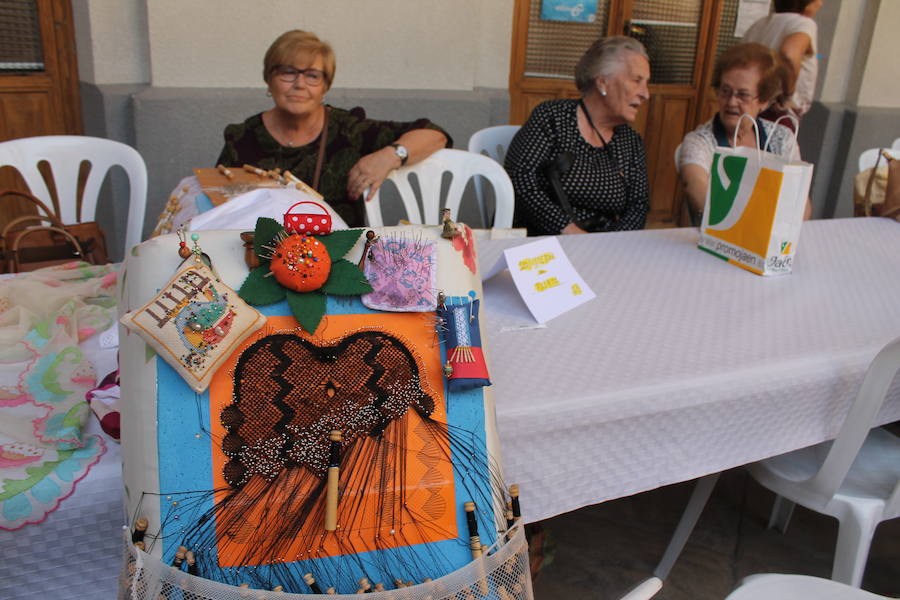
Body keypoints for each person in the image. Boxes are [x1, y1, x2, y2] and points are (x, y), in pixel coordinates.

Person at [216, 30, 449, 227]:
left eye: (312, 76)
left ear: (325, 86)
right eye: (288, 72)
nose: (299, 84)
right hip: (261, 258)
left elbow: (434, 134)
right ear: (269, 78)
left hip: (338, 260)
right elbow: (218, 209)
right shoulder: (242, 138)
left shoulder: (349, 131)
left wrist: (390, 155)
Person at [504, 36, 651, 236]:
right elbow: (520, 178)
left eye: (646, 83)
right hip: (543, 242)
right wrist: (567, 230)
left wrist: (613, 243)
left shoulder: (630, 140)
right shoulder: (552, 118)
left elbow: (638, 204)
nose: (645, 94)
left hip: (602, 247)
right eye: (636, 81)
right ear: (603, 83)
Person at [677, 43, 810, 221]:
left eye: (743, 95)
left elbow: (800, 201)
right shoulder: (700, 141)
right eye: (725, 91)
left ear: (764, 100)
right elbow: (695, 187)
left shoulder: (782, 138)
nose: (731, 102)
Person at [743, 0, 822, 122]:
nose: (820, 4)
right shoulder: (803, 23)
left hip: (752, 102)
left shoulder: (759, 24)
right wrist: (787, 95)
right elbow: (789, 55)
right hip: (778, 108)